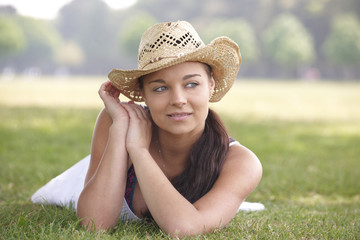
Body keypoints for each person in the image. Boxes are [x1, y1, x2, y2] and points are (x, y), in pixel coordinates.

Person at [76, 20, 262, 237]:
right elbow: (93, 224)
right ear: (143, 94)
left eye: (191, 84)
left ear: (210, 85)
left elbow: (185, 229)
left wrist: (138, 150)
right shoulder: (118, 123)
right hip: (91, 176)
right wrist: (119, 132)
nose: (178, 100)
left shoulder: (241, 163)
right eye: (160, 88)